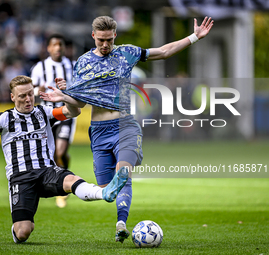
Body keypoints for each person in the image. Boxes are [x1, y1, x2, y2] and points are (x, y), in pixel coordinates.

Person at [40, 16, 214, 243]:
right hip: (99, 130)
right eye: (101, 40)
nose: (105, 45)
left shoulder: (126, 53)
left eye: (109, 40)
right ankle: (116, 211)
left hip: (125, 126)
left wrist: (193, 37)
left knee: (124, 173)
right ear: (93, 36)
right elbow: (80, 105)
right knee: (105, 188)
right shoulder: (82, 63)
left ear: (115, 36)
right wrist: (65, 96)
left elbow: (162, 51)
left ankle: (121, 224)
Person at [0, 75, 129, 243]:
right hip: (21, 178)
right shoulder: (4, 119)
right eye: (22, 96)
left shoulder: (44, 112)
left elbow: (73, 111)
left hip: (47, 171)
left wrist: (65, 96)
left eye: (30, 94)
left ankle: (105, 193)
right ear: (13, 97)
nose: (28, 99)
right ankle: (19, 228)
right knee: (24, 232)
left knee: (71, 180)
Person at [30, 34, 76, 208]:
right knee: (51, 153)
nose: (58, 48)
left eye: (60, 44)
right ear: (48, 48)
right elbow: (30, 90)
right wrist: (36, 91)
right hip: (47, 114)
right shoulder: (39, 67)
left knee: (60, 151)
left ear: (64, 47)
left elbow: (77, 88)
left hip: (65, 112)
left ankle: (64, 183)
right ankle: (61, 182)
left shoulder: (72, 66)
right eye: (54, 45)